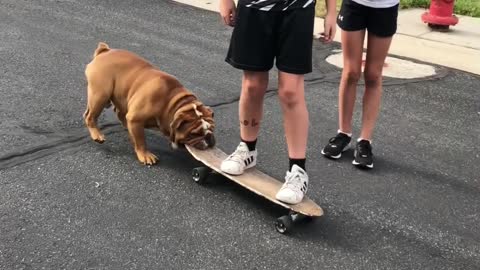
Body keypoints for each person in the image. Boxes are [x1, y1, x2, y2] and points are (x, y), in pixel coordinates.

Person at [218, 0, 337, 204]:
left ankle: (297, 170)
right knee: (252, 85)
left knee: (291, 91)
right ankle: (247, 148)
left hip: (298, 8)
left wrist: (331, 11)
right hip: (255, 7)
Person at [321, 0, 399, 169]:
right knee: (351, 72)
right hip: (355, 4)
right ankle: (343, 133)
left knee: (373, 74)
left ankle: (365, 140)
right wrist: (331, 13)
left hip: (386, 7)